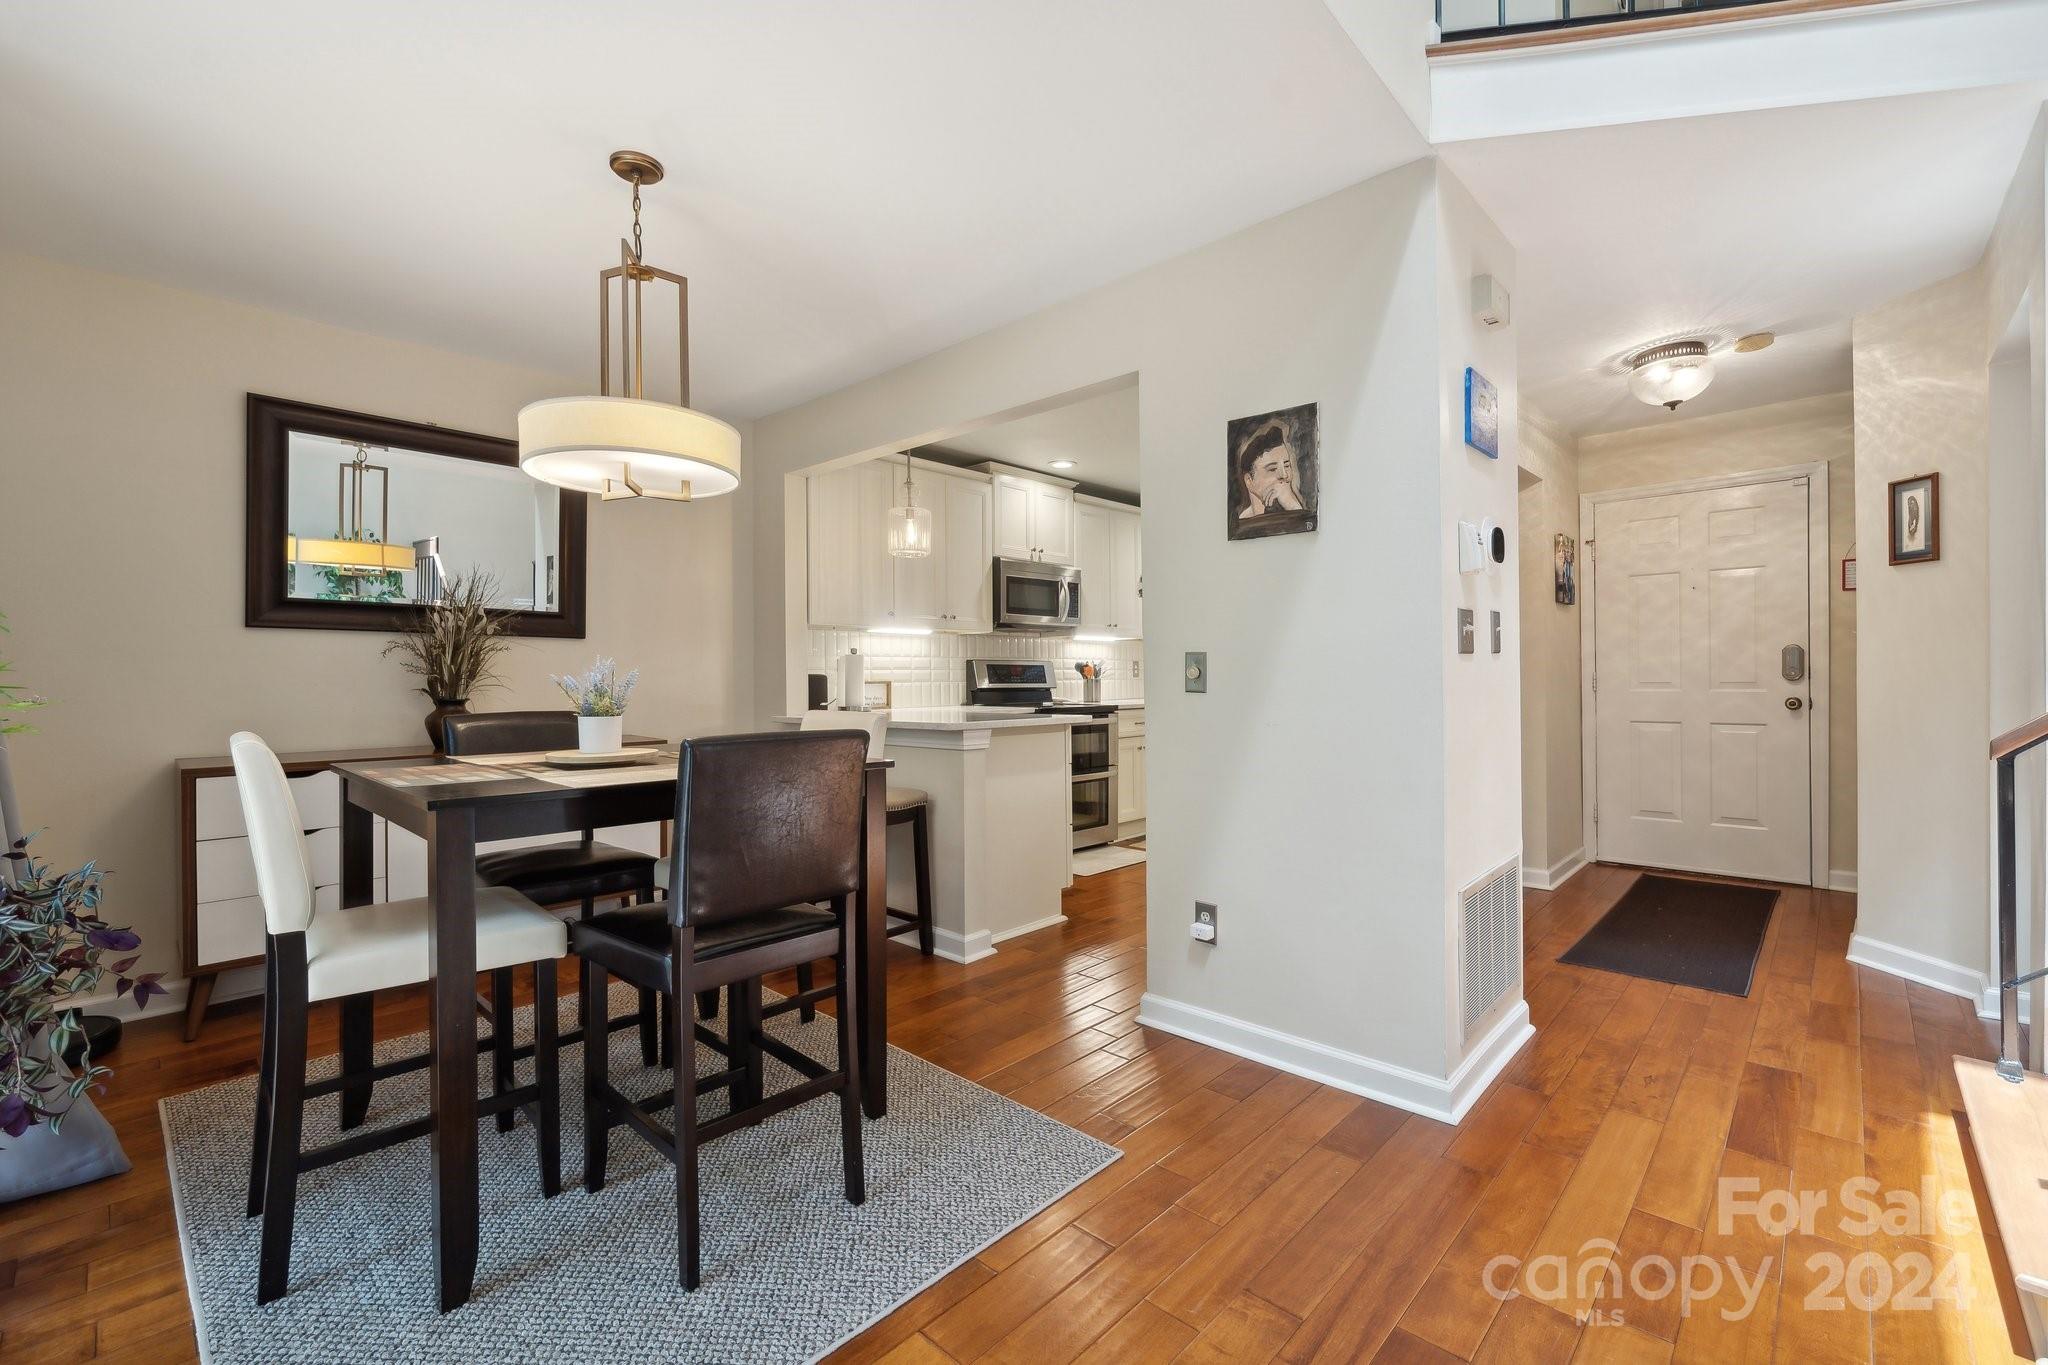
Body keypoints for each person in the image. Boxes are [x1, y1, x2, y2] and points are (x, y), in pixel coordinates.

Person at [1236, 422, 1306, 519]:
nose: (1284, 475)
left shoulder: (1294, 508)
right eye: (1272, 469)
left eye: (1286, 466)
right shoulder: (1241, 523)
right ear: (1249, 481)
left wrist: (1294, 507)